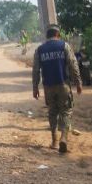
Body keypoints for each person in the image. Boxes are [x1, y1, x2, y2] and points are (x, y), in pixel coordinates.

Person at [32, 25, 83, 154]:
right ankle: (64, 138)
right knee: (66, 111)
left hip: (48, 87)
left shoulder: (40, 50)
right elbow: (73, 65)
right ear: (58, 34)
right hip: (63, 85)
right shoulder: (64, 46)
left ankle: (54, 141)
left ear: (47, 36)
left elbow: (35, 70)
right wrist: (78, 82)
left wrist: (35, 87)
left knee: (52, 112)